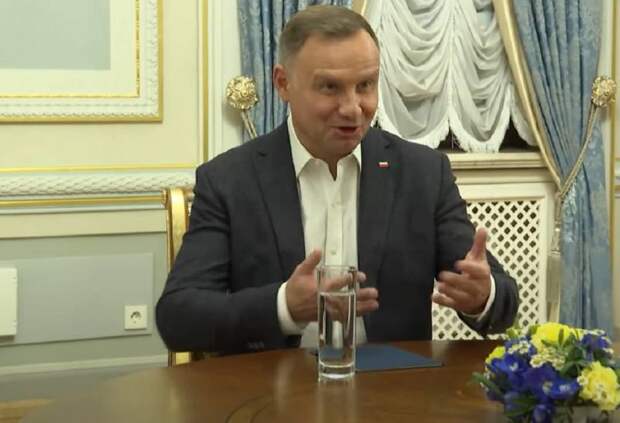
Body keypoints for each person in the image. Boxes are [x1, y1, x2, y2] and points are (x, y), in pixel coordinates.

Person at [156, 5, 518, 354]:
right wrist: (283, 307)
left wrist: (482, 296)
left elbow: (502, 301)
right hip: (271, 387)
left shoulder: (423, 174)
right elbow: (178, 317)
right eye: (330, 87)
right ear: (283, 83)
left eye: (365, 85)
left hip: (394, 386)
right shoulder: (229, 180)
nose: (352, 108)